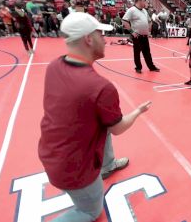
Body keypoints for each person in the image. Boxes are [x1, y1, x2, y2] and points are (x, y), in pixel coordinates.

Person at [38, 12, 151, 221]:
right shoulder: (99, 87)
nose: (105, 39)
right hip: (76, 169)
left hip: (51, 154)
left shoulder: (54, 66)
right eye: (100, 34)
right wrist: (138, 111)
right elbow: (117, 128)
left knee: (101, 125)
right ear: (88, 39)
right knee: (90, 211)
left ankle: (108, 164)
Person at [122, 0, 160, 73]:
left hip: (145, 36)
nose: (145, 2)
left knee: (147, 52)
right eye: (144, 0)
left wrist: (148, 31)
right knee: (137, 52)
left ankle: (151, 67)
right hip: (137, 36)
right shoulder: (132, 10)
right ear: (139, 0)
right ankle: (138, 67)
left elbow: (149, 21)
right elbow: (124, 20)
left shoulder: (144, 11)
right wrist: (132, 31)